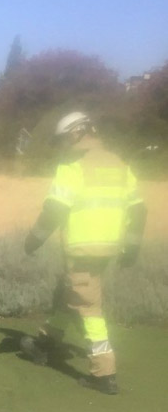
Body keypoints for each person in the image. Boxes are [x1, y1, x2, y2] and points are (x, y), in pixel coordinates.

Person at [21, 112, 146, 394]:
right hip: (108, 248)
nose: (63, 146)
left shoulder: (72, 168)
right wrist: (132, 247)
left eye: (64, 140)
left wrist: (33, 241)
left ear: (76, 134)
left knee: (89, 308)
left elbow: (54, 210)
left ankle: (103, 373)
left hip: (82, 249)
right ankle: (46, 342)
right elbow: (139, 210)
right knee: (70, 292)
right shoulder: (119, 165)